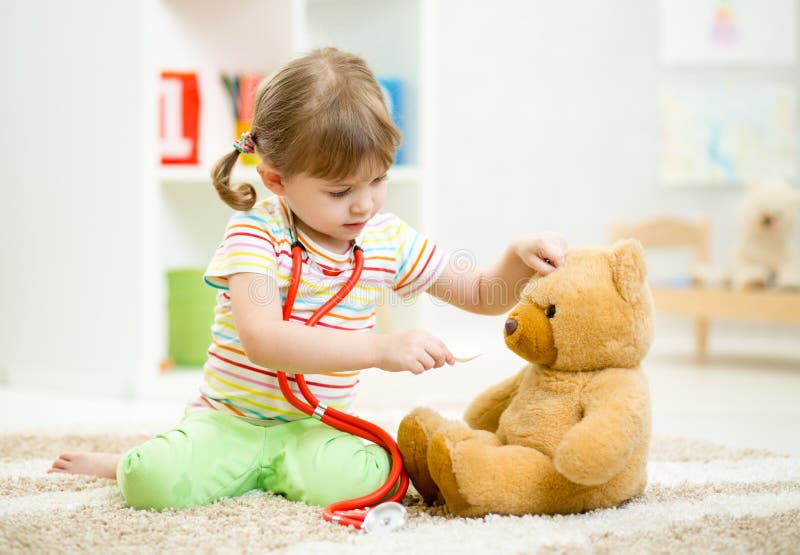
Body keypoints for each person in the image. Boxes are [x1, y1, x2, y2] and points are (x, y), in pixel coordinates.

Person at [49, 47, 567, 510]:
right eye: (340, 191)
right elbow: (265, 341)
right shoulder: (252, 238)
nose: (364, 203)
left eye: (378, 179)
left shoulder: (387, 238)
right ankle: (128, 462)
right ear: (276, 178)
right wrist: (379, 348)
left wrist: (517, 259)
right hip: (230, 421)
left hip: (314, 429)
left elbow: (481, 293)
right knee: (151, 484)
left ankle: (264, 473)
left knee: (382, 476)